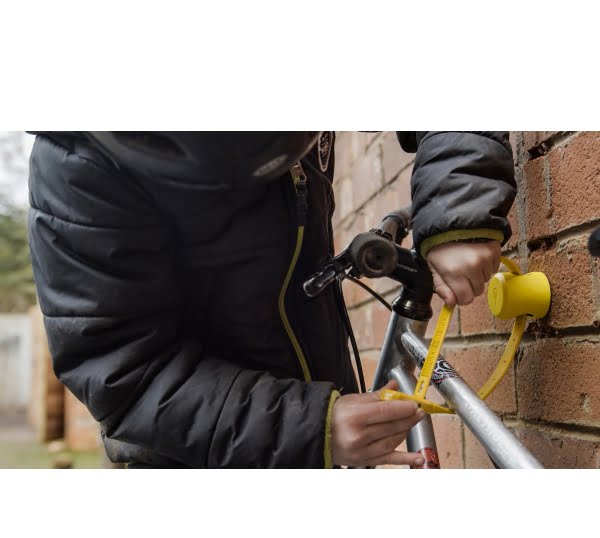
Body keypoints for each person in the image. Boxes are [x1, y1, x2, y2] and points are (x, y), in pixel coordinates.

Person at [27, 132, 516, 468]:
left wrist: (459, 204)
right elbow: (124, 374)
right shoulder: (74, 164)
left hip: (323, 402)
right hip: (197, 459)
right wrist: (309, 427)